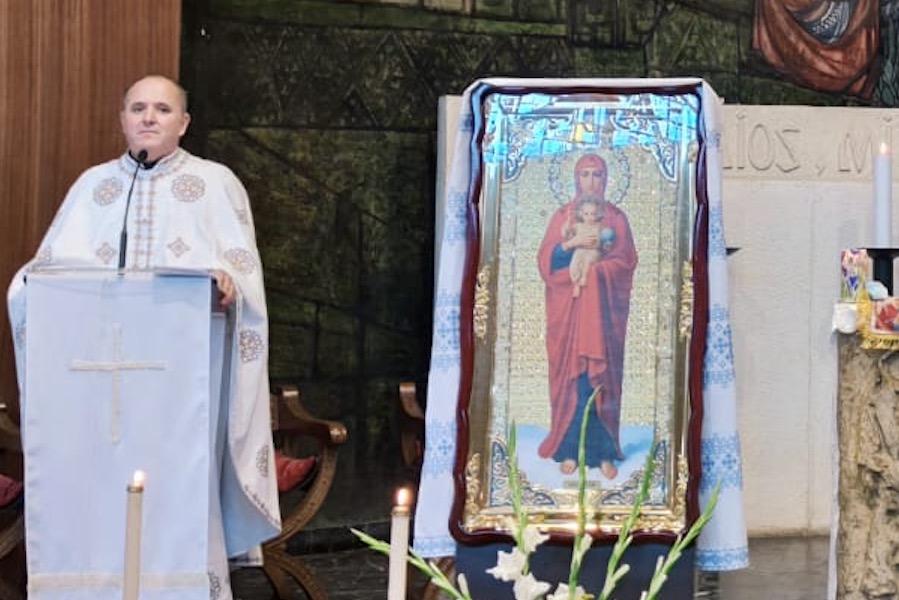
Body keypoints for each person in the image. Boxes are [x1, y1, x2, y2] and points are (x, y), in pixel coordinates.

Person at [7, 75, 279, 599]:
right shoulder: (94, 187)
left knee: (180, 480)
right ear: (123, 119)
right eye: (137, 108)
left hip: (182, 388)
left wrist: (227, 286)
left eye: (161, 108)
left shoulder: (215, 183)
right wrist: (25, 283)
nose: (148, 117)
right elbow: (44, 277)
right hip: (93, 387)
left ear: (184, 122)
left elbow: (245, 272)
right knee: (96, 486)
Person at [536, 154, 638, 480]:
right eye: (585, 175)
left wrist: (596, 274)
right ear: (576, 179)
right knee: (573, 381)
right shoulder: (563, 216)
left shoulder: (617, 219)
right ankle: (569, 451)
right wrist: (573, 245)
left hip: (602, 316)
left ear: (606, 179)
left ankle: (603, 454)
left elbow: (626, 264)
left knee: (601, 382)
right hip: (568, 312)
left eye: (597, 175)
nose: (591, 181)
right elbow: (546, 263)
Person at [564, 194, 616, 298]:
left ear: (598, 214)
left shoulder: (599, 226)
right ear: (581, 214)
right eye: (586, 214)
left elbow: (606, 238)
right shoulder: (578, 226)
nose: (589, 217)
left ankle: (583, 278)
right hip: (580, 250)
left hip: (593, 251)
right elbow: (568, 235)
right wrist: (567, 226)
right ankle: (576, 284)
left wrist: (607, 244)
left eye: (593, 214)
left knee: (588, 261)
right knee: (574, 265)